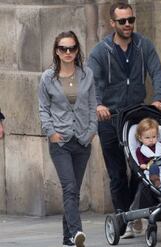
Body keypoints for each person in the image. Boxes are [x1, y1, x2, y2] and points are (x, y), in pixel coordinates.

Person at [87, 1, 161, 239]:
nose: (128, 25)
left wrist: (159, 99)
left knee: (140, 167)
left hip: (136, 116)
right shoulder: (101, 51)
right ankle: (122, 216)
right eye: (122, 21)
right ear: (113, 23)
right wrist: (98, 104)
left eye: (131, 20)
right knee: (117, 173)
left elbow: (157, 72)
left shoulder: (143, 45)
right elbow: (91, 82)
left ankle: (134, 212)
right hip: (109, 117)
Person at [38, 31, 97, 247]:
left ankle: (68, 239)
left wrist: (91, 132)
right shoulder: (47, 78)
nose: (68, 52)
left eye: (72, 48)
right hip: (60, 142)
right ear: (57, 51)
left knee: (74, 191)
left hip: (83, 140)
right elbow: (43, 109)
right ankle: (77, 232)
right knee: (69, 188)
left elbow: (92, 105)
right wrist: (51, 133)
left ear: (77, 50)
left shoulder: (87, 74)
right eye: (63, 48)